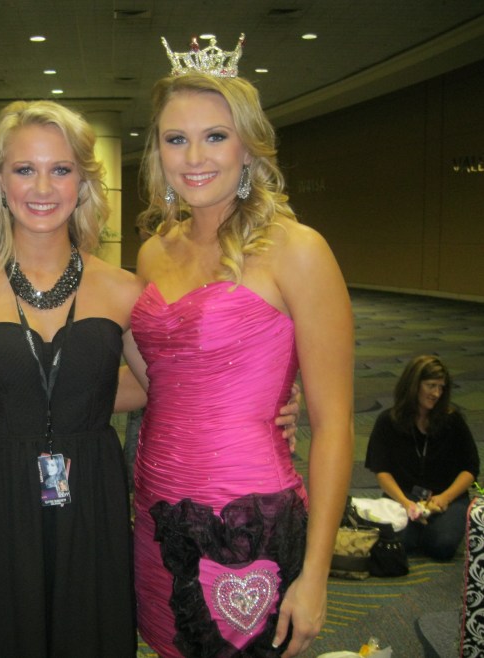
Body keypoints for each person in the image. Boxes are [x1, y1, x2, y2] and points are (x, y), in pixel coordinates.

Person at [0, 99, 301, 657]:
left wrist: (264, 402)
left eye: (60, 169)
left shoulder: (124, 290)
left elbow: (170, 383)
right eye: (24, 169)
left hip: (92, 498)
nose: (42, 187)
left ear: (83, 181)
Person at [128, 34, 354, 658]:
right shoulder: (152, 252)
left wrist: (317, 573)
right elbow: (156, 382)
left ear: (249, 147)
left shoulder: (297, 249)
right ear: (158, 152)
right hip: (154, 506)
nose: (194, 156)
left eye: (215, 136)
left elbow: (335, 426)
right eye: (176, 139)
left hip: (247, 517)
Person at [365, 355, 479, 560]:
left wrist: (445, 498)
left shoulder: (452, 420)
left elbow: (470, 469)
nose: (437, 393)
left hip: (446, 496)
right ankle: (418, 529)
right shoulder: (388, 421)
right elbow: (381, 471)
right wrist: (405, 502)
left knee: (441, 546)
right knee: (400, 543)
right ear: (414, 385)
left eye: (441, 388)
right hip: (404, 495)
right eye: (431, 386)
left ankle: (432, 527)